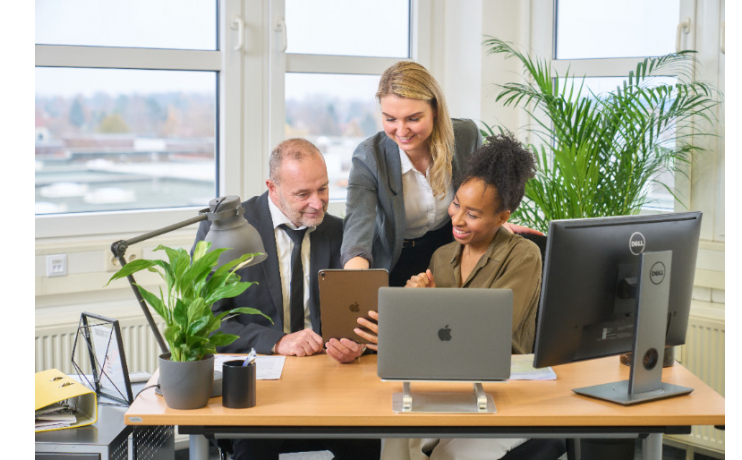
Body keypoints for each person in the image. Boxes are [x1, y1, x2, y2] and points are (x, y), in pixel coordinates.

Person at [356, 133, 541, 460]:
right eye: (456, 204)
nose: (456, 219)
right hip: (443, 381)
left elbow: (492, 333)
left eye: (473, 214)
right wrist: (417, 304)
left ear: (502, 218)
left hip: (502, 387)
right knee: (395, 436)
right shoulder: (442, 256)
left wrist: (433, 302)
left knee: (445, 455)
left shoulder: (524, 256)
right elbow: (433, 337)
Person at [194, 138, 378, 459]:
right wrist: (278, 341)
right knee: (253, 450)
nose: (318, 204)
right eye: (302, 194)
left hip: (329, 378)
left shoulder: (340, 233)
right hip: (260, 380)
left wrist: (357, 343)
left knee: (366, 443)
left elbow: (362, 313)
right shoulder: (227, 229)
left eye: (323, 189)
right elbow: (207, 323)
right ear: (272, 187)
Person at [340, 61, 483, 287]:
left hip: (450, 250)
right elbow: (358, 228)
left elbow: (485, 196)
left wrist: (499, 223)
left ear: (435, 109)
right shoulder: (369, 157)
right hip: (395, 258)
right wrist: (357, 283)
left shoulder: (466, 137)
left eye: (413, 119)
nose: (402, 130)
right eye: (390, 119)